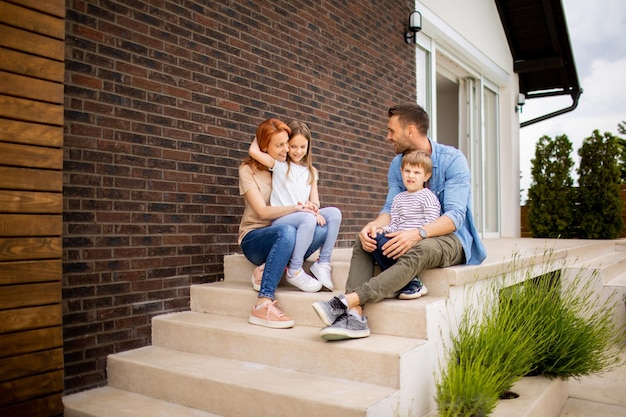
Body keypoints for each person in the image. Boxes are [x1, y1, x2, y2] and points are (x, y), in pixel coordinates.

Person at [312, 103, 487, 340]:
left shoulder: (453, 160)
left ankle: (347, 300)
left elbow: (455, 217)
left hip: (450, 239)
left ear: (410, 130)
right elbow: (390, 209)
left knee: (421, 246)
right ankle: (355, 316)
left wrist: (417, 233)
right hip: (412, 234)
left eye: (391, 131)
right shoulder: (398, 165)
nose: (388, 137)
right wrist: (375, 226)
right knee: (366, 239)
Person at [239, 118, 329, 329]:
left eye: (286, 143)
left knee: (321, 228)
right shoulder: (248, 170)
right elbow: (261, 212)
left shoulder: (290, 167)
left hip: (287, 231)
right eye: (279, 145)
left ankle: (273, 266)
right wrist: (296, 209)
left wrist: (311, 207)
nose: (286, 149)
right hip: (256, 237)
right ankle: (263, 302)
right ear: (264, 147)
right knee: (287, 232)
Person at [248, 121, 342, 292]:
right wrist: (264, 136)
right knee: (308, 218)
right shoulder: (279, 165)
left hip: (303, 215)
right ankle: (295, 269)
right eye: (293, 146)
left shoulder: (312, 171)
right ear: (286, 146)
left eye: (302, 147)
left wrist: (313, 208)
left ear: (308, 146)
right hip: (282, 220)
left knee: (334, 214)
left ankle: (323, 262)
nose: (298, 151)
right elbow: (253, 151)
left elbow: (315, 201)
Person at [370, 150, 441, 300]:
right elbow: (394, 224)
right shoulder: (398, 199)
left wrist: (414, 237)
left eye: (416, 172)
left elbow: (430, 224)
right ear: (401, 172)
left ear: (426, 176)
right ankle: (404, 283)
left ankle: (412, 283)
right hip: (397, 240)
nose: (411, 176)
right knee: (375, 238)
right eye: (407, 171)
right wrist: (383, 230)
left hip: (415, 242)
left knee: (394, 246)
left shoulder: (428, 197)